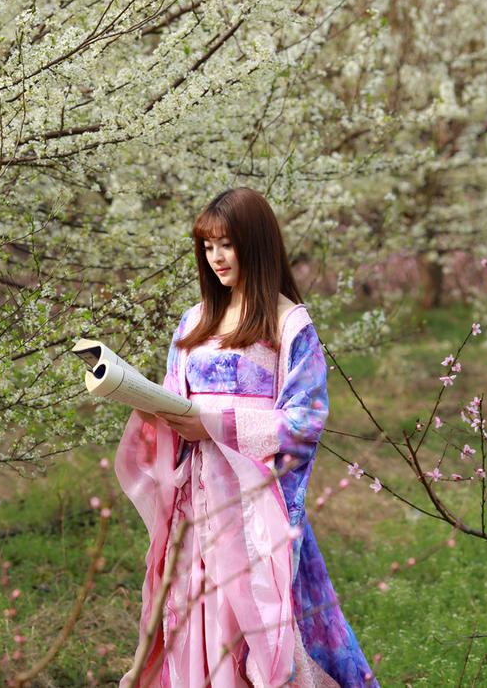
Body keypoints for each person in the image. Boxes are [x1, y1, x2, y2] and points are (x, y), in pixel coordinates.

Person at [115, 187, 379, 688]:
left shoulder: (289, 323)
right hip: (197, 505)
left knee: (255, 631)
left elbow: (304, 423)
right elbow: (173, 396)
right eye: (208, 246)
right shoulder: (194, 321)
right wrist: (145, 403)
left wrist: (217, 424)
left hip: (256, 507)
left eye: (227, 244)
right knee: (195, 619)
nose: (216, 257)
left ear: (256, 245)